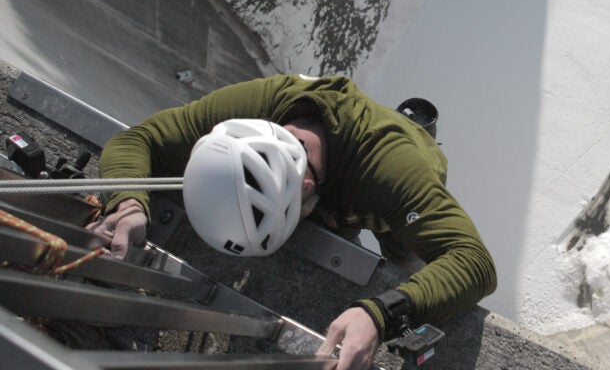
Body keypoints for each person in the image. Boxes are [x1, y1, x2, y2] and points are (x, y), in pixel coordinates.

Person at [85, 74, 497, 370]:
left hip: (387, 183)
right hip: (334, 177)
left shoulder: (393, 171)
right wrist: (128, 204)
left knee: (404, 262)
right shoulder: (256, 105)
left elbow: (472, 263)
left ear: (304, 188)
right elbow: (138, 139)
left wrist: (380, 315)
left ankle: (416, 125)